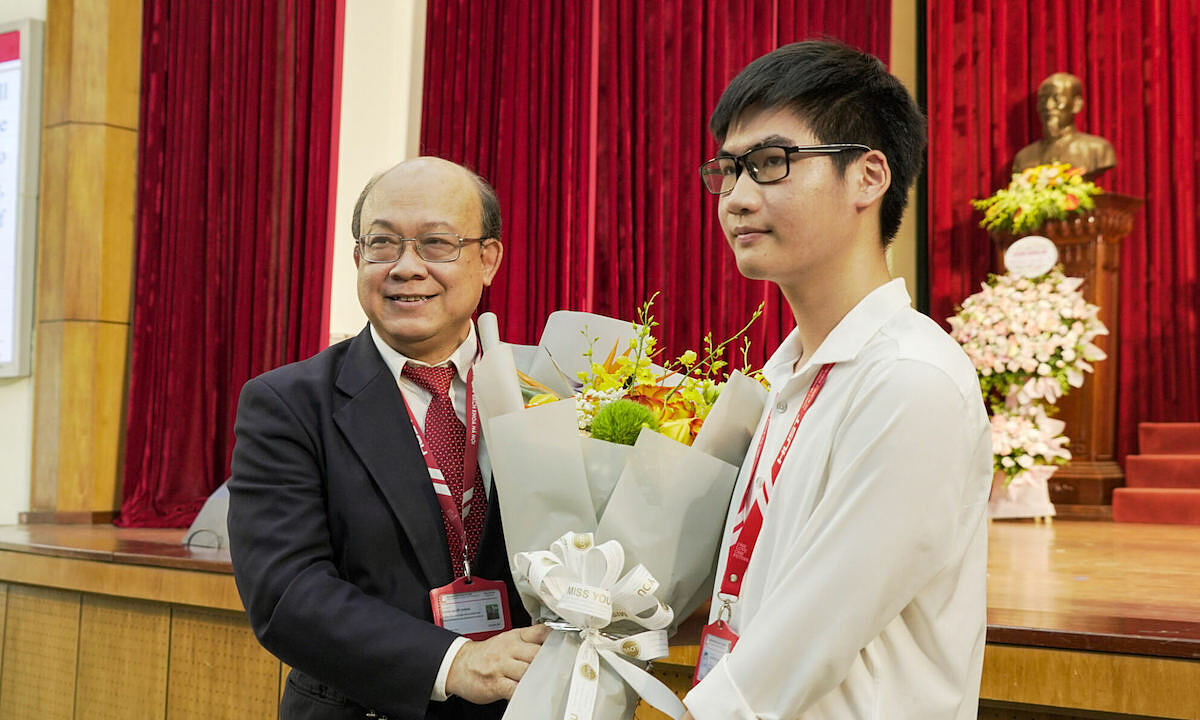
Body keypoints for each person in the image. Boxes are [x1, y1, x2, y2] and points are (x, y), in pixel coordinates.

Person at [683, 41, 992, 719]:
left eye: (770, 164)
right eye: (727, 171)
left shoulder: (910, 381)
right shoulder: (790, 376)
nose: (735, 198)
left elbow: (806, 644)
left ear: (868, 177)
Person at [228, 157, 549, 719]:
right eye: (382, 244)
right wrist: (454, 664)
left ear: (488, 258)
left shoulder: (550, 391)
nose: (406, 267)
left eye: (436, 244)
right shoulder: (288, 404)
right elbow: (286, 593)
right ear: (358, 258)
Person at [1012, 72, 1116, 179]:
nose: (1048, 106)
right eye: (1043, 100)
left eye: (1057, 99)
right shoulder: (1024, 157)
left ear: (1076, 104)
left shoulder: (1097, 149)